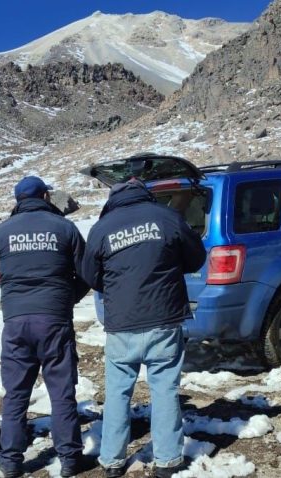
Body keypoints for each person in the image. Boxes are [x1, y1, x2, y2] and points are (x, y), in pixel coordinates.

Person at [82, 179, 206, 478]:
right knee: (164, 389)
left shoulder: (103, 226)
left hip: (122, 323)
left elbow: (89, 274)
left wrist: (115, 285)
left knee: (117, 392)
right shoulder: (166, 217)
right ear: (146, 194)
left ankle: (112, 460)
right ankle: (167, 460)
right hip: (164, 319)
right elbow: (196, 257)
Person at [0, 176, 90, 478]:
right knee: (62, 392)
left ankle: (11, 462)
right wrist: (67, 298)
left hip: (16, 322)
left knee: (16, 394)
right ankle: (69, 460)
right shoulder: (65, 228)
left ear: (18, 200)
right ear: (44, 196)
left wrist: (8, 282)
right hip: (54, 320)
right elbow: (88, 272)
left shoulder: (3, 230)